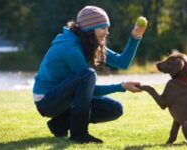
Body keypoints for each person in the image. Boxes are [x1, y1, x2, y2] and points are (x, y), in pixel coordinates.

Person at [33, 5, 147, 143]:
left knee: (114, 109)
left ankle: (60, 123)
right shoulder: (71, 48)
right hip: (47, 101)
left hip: (64, 98)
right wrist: (121, 86)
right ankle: (79, 134)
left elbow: (122, 62)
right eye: (103, 28)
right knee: (87, 74)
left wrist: (135, 37)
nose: (107, 32)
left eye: (107, 28)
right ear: (89, 30)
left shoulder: (89, 42)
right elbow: (89, 89)